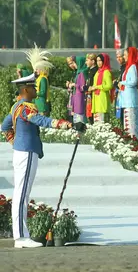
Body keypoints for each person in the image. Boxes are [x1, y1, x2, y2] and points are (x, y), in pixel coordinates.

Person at [1, 49, 72, 249]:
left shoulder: (16, 107)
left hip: (22, 150)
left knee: (21, 193)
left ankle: (21, 236)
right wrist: (62, 123)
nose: (36, 90)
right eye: (32, 86)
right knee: (22, 195)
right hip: (27, 152)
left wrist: (14, 142)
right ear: (25, 89)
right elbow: (39, 120)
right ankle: (21, 237)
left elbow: (5, 126)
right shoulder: (26, 108)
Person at [119, 47, 138, 140]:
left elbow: (133, 81)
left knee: (132, 124)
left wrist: (122, 83)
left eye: (125, 55)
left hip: (130, 100)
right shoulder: (128, 67)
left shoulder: (132, 66)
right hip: (126, 99)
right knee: (128, 123)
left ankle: (135, 141)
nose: (124, 57)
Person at [90, 53, 113, 123]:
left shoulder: (106, 72)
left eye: (100, 60)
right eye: (97, 61)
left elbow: (109, 85)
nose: (98, 63)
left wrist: (97, 87)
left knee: (102, 124)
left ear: (104, 61)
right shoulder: (98, 72)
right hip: (96, 100)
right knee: (97, 124)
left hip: (102, 100)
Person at [66, 56, 88, 124]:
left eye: (74, 63)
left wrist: (73, 85)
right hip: (76, 98)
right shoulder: (78, 73)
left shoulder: (82, 73)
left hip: (80, 98)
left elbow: (82, 87)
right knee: (76, 118)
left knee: (80, 118)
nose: (73, 65)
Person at [113, 49, 126, 127]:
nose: (118, 59)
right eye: (117, 57)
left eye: (120, 57)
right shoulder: (121, 68)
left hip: (124, 97)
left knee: (124, 118)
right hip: (120, 95)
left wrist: (116, 83)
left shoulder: (126, 68)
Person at [84, 54, 98, 125]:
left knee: (92, 116)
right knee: (89, 115)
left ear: (93, 61)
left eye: (87, 60)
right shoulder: (90, 70)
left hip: (94, 95)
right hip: (89, 95)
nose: (86, 62)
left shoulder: (96, 71)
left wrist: (87, 87)